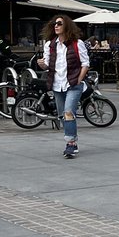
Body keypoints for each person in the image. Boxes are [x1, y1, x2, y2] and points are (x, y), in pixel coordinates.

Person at [38, 15, 90, 159]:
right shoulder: (49, 45)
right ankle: (71, 137)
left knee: (68, 112)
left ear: (66, 25)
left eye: (59, 23)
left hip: (73, 84)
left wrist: (79, 80)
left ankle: (71, 144)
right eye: (54, 23)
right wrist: (42, 64)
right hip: (57, 84)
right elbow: (48, 65)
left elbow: (85, 63)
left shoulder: (76, 43)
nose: (56, 26)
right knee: (62, 115)